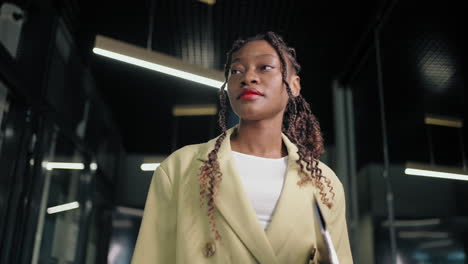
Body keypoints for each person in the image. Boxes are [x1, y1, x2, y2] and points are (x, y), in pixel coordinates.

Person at [131, 31, 353, 264]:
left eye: (265, 67)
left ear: (294, 85)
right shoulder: (179, 168)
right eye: (236, 71)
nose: (248, 77)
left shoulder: (325, 183)